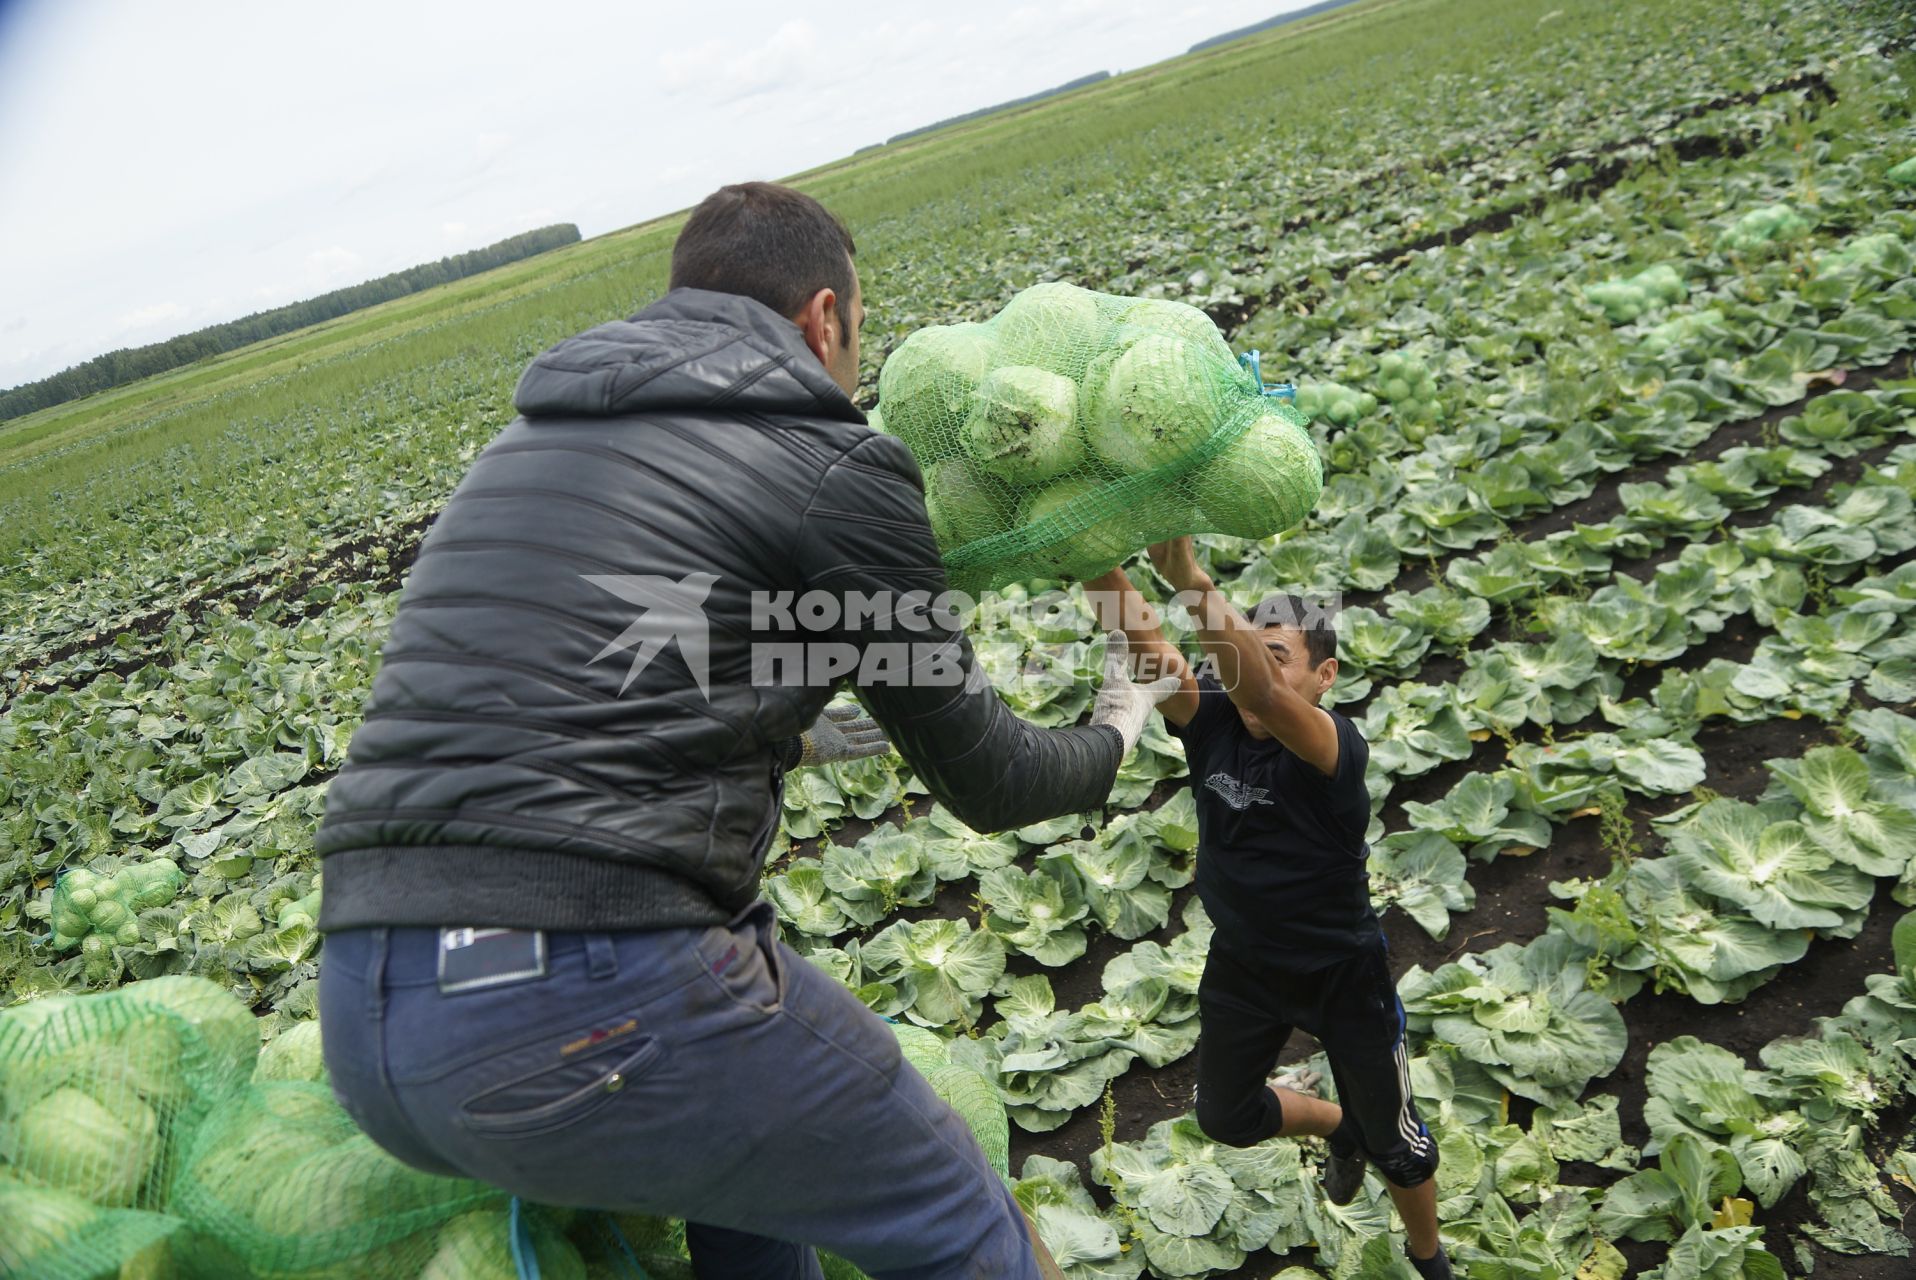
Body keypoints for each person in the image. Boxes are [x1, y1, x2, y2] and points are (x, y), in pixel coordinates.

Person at [313, 180, 1177, 1280]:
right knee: (961, 1216)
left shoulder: (524, 449)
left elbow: (653, 672)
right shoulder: (829, 458)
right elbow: (993, 781)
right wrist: (1120, 713)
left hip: (371, 1018)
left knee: (755, 1205)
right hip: (590, 991)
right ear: (824, 317)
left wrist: (848, 718)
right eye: (857, 334)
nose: (853, 366)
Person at [1087, 537, 1453, 1280]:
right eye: (1248, 649)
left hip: (1340, 972)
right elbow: (1142, 640)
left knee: (1400, 1147)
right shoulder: (1213, 717)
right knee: (1226, 1117)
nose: (1252, 665)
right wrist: (1085, 551)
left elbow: (1264, 696)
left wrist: (1189, 578)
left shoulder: (1330, 746)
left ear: (1326, 675)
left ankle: (1430, 1260)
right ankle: (1335, 1123)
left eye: (1276, 652)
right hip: (1246, 965)